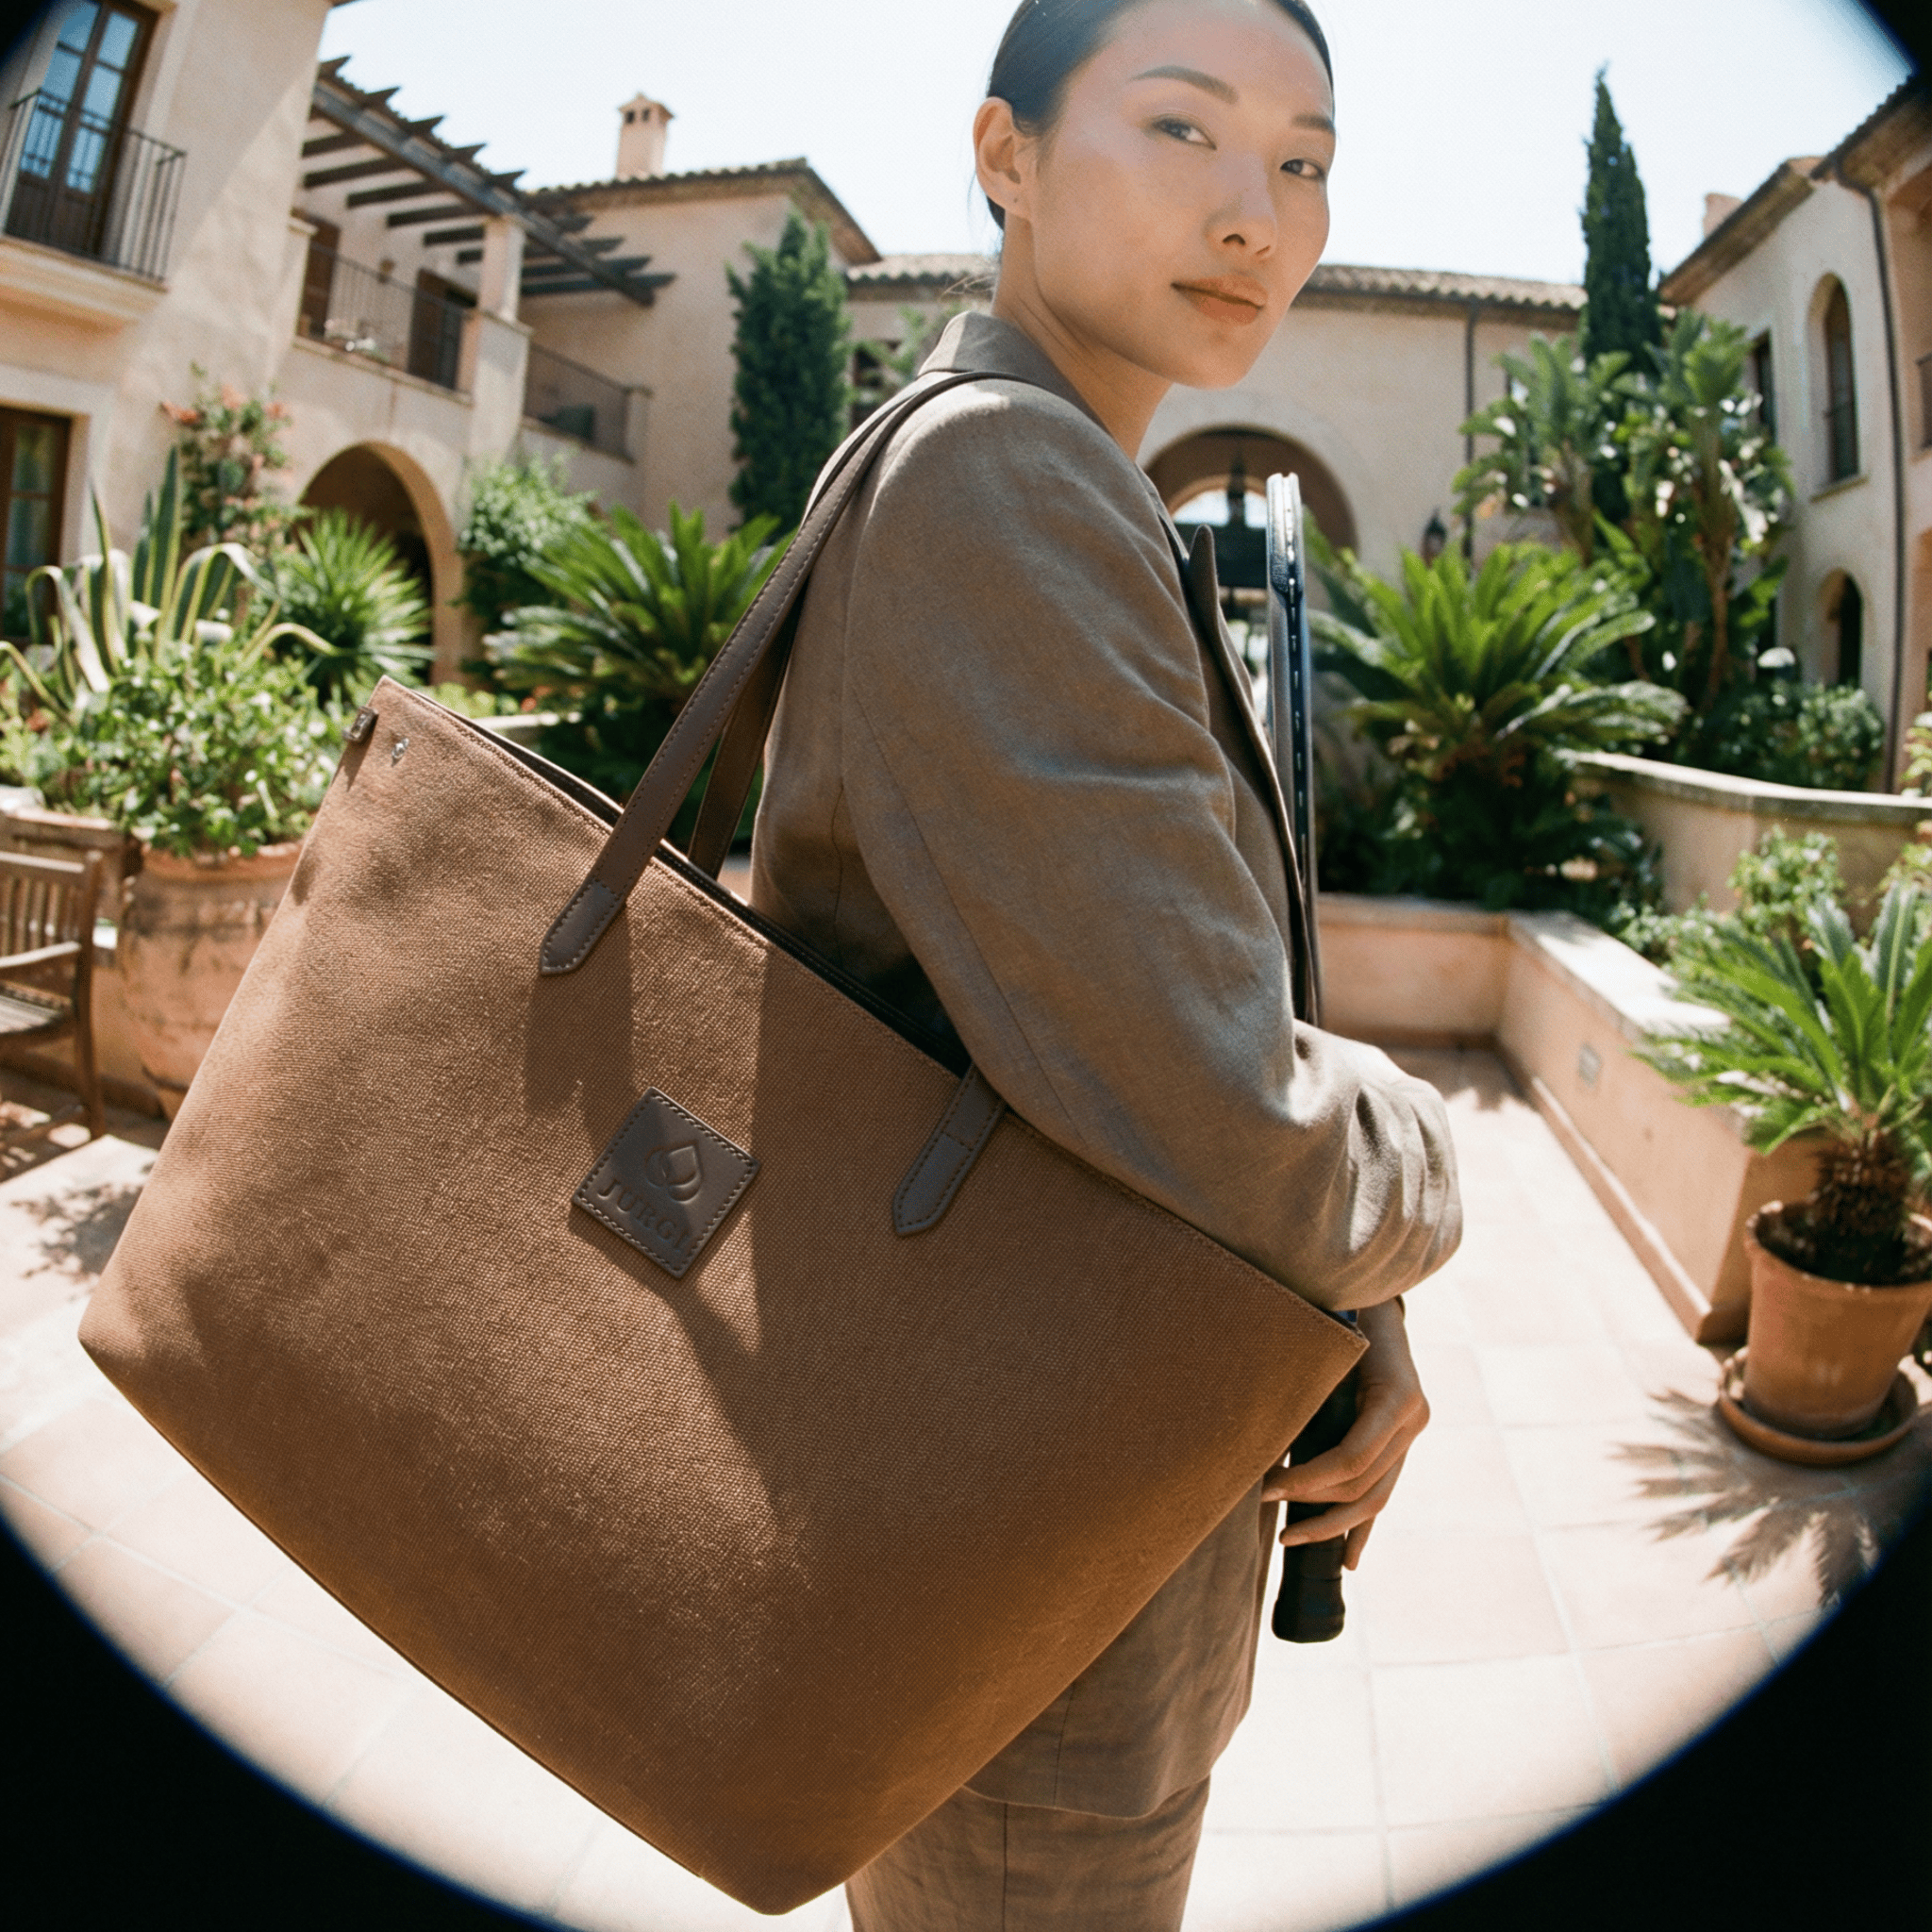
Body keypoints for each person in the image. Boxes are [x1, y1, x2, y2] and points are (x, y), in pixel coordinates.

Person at [748, 1, 1463, 1924]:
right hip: (1024, 1575)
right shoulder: (1006, 479)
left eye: (1302, 162)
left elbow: (1109, 1026)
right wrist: (1425, 1174)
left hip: (1016, 1509)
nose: (1257, 212)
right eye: (1181, 129)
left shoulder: (1022, 465)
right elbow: (1214, 1093)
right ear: (1004, 158)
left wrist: (1344, 1316)